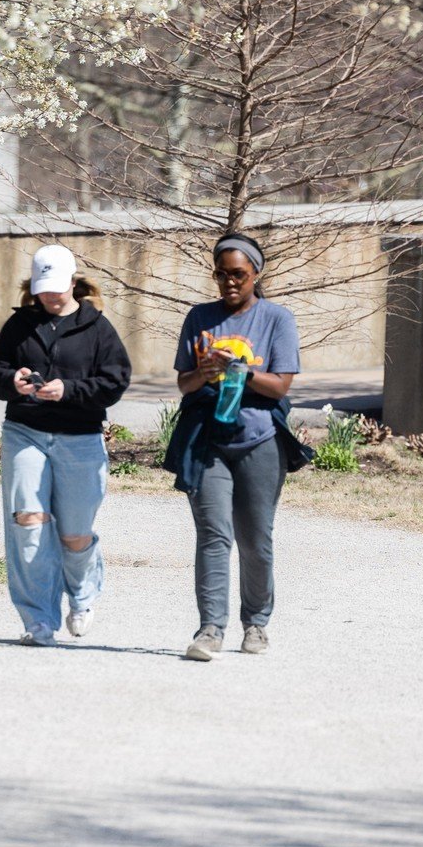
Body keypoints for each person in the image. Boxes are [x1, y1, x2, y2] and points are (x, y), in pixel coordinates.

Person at [163, 232, 313, 661]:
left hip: (259, 441)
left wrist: (241, 371)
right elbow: (183, 383)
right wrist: (205, 370)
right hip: (208, 442)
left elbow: (280, 385)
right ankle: (210, 629)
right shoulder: (199, 318)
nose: (230, 283)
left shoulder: (276, 319)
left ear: (256, 274)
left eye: (239, 275)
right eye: (222, 275)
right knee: (212, 535)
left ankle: (256, 624)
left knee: (255, 538)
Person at [0, 244, 132, 646]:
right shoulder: (20, 325)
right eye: (43, 289)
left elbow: (115, 381)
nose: (50, 296)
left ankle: (81, 598)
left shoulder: (97, 327)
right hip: (25, 432)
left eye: (57, 288)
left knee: (75, 534)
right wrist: (11, 380)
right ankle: (39, 621)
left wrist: (70, 390)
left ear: (73, 283)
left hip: (80, 438)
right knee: (27, 522)